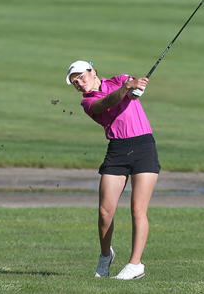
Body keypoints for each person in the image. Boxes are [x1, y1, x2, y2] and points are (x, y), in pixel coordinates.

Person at [65, 60, 160, 280]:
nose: (79, 83)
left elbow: (132, 89)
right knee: (105, 212)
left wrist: (136, 87)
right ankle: (106, 255)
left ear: (93, 71)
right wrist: (127, 89)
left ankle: (135, 264)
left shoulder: (118, 80)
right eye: (74, 82)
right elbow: (106, 103)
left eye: (81, 76)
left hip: (144, 146)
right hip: (117, 151)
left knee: (138, 210)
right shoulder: (87, 103)